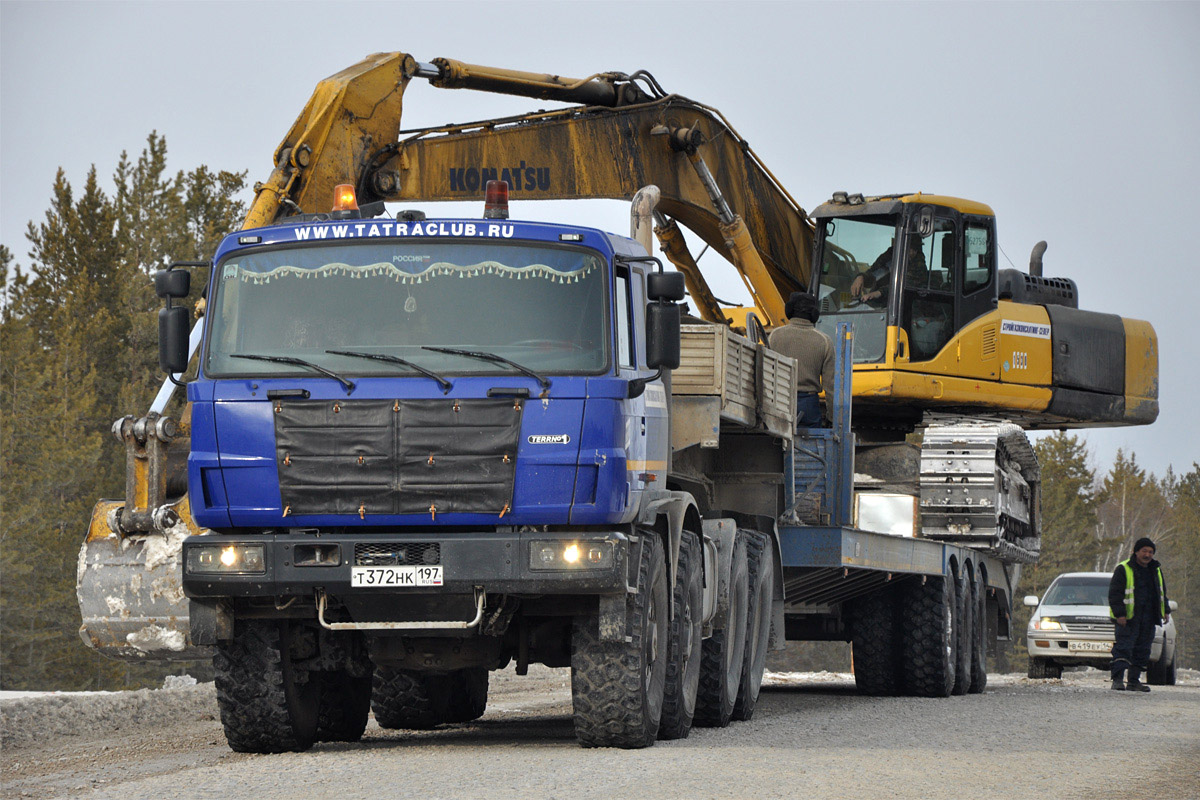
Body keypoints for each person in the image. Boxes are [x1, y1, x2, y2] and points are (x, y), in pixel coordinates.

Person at [1108, 537, 1171, 692]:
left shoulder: (1155, 569)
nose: (1147, 555)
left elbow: (1161, 592)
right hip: (1128, 619)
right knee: (1123, 649)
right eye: (1144, 551)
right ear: (1136, 552)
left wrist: (1166, 610)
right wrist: (1120, 614)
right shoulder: (1124, 568)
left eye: (1150, 552)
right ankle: (1117, 680)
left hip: (1148, 618)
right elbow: (1115, 594)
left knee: (1142, 650)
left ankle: (1134, 682)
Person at [768, 292, 834, 427]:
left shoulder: (774, 336)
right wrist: (831, 417)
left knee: (778, 440)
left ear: (789, 310)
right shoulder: (824, 341)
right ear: (814, 314)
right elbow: (830, 386)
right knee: (809, 444)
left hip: (779, 399)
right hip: (808, 404)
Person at [849, 236, 928, 305]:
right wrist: (861, 277)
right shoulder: (890, 255)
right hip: (879, 307)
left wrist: (879, 293)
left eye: (912, 249)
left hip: (906, 309)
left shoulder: (918, 265)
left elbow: (905, 285)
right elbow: (874, 273)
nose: (910, 252)